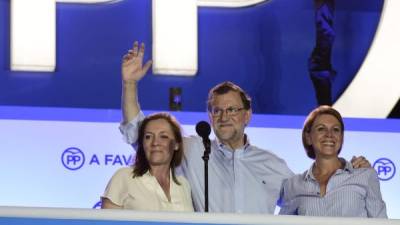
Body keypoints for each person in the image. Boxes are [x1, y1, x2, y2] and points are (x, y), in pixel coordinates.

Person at [119, 41, 371, 213]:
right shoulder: (193, 151)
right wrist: (129, 84)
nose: (224, 116)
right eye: (217, 110)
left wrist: (351, 170)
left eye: (232, 110)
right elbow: (139, 132)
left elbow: (314, 195)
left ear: (247, 115)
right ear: (210, 115)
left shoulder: (272, 164)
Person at [279, 106, 387, 217]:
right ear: (308, 137)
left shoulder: (365, 175)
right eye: (321, 129)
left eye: (335, 129)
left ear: (341, 137)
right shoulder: (293, 185)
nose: (329, 135)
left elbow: (380, 221)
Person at [101, 112, 194, 212]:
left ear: (176, 144)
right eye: (148, 137)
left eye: (163, 137)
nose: (155, 143)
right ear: (142, 144)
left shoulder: (184, 185)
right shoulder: (123, 177)